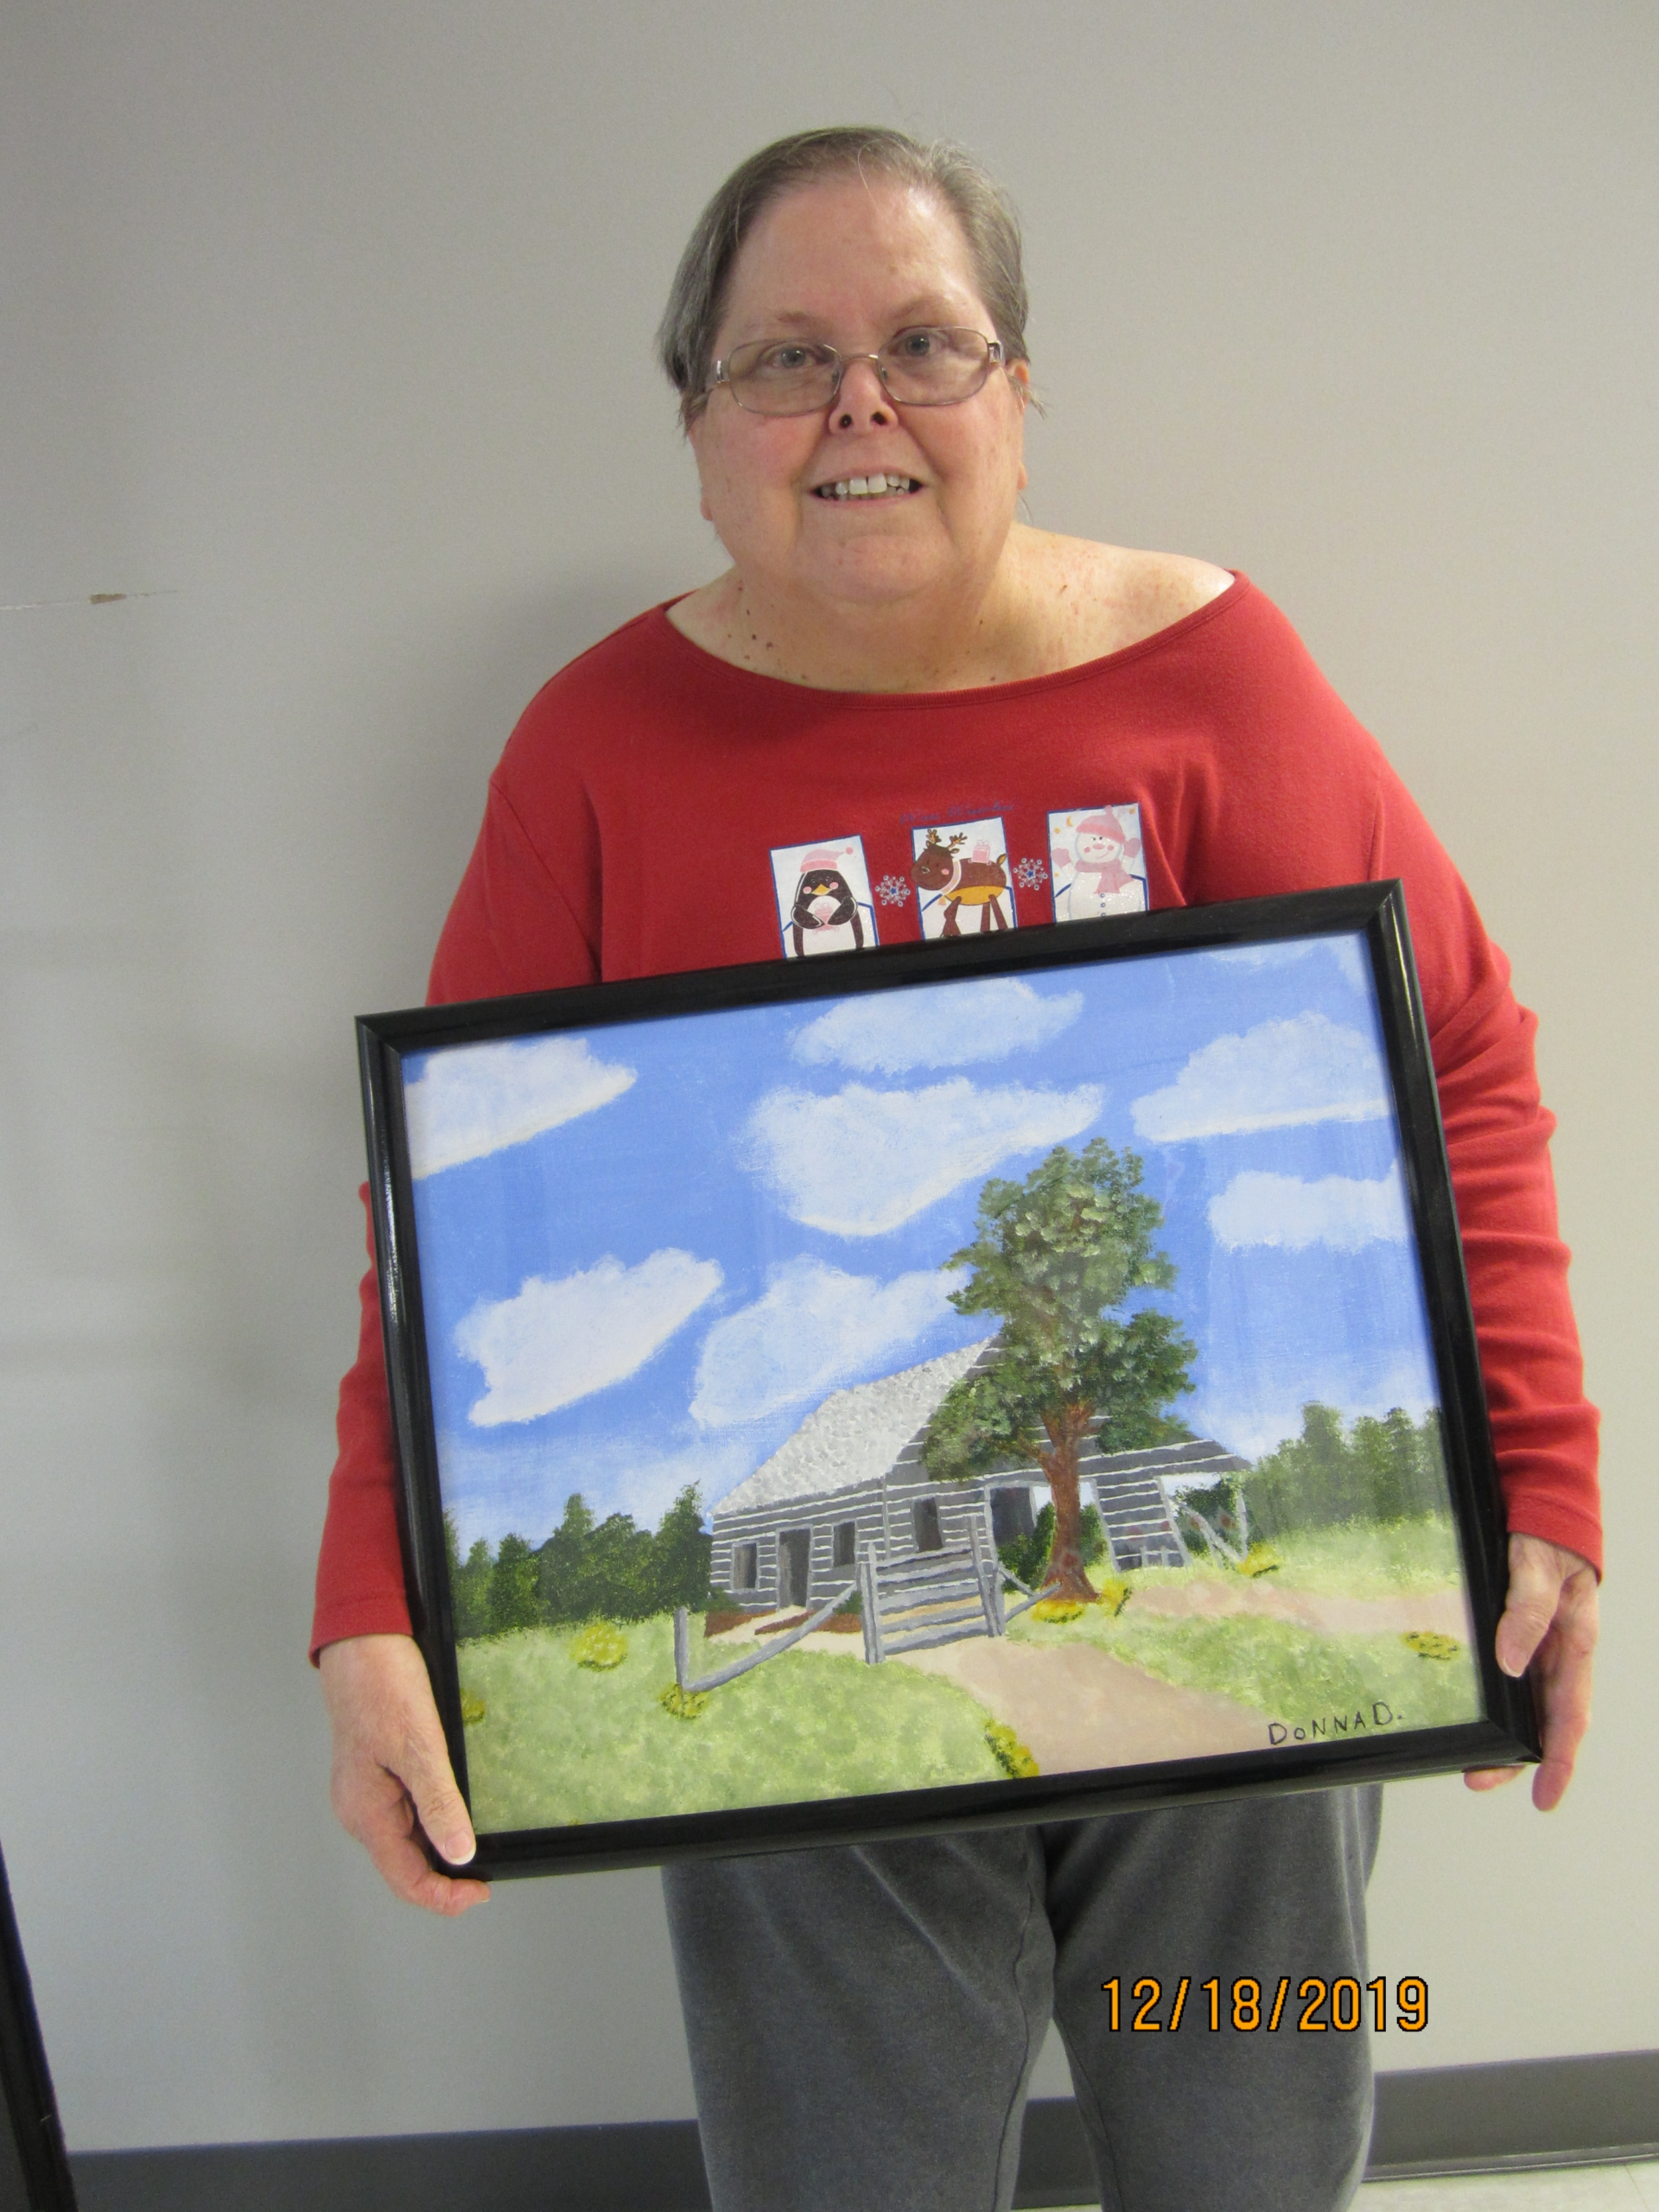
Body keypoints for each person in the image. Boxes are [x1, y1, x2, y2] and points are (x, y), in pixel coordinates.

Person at [315, 127, 1600, 2211]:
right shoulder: (597, 750)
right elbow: (452, 1216)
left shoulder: (1214, 673)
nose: (860, 406)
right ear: (700, 423)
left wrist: (1533, 1476)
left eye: (927, 343)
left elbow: (1452, 1055)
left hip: (1234, 1729)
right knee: (853, 2171)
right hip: (824, 1653)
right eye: (784, 358)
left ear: (1016, 389)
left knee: (1250, 2132)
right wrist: (373, 1593)